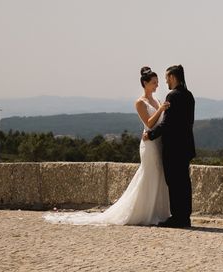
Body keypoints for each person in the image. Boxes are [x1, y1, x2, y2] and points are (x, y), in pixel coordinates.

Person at [43, 66, 171, 226]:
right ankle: (143, 212)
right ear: (145, 83)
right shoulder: (140, 102)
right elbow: (149, 123)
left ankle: (158, 211)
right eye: (154, 83)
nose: (157, 85)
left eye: (157, 83)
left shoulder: (156, 100)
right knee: (149, 174)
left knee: (158, 176)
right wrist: (160, 109)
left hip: (158, 143)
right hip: (149, 145)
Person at [143, 64, 195, 228]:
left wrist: (150, 135)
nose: (165, 82)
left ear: (172, 77)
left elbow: (167, 124)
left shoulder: (172, 96)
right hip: (186, 146)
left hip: (173, 147)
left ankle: (177, 217)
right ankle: (185, 216)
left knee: (173, 182)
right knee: (184, 183)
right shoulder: (189, 96)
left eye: (166, 78)